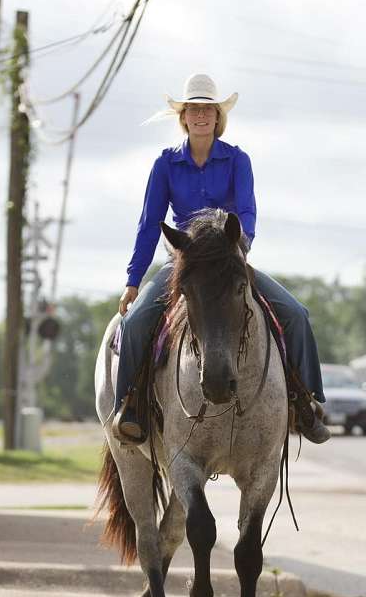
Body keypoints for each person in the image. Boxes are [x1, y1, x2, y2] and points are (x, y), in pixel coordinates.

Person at [112, 73, 330, 445]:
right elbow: (149, 225)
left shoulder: (237, 160)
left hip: (230, 260)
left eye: (207, 110)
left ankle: (305, 401)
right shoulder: (165, 165)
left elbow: (246, 213)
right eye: (193, 109)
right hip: (185, 264)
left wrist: (236, 248)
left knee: (296, 314)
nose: (200, 116)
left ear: (217, 117)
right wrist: (133, 281)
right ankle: (129, 405)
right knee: (134, 324)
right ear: (183, 117)